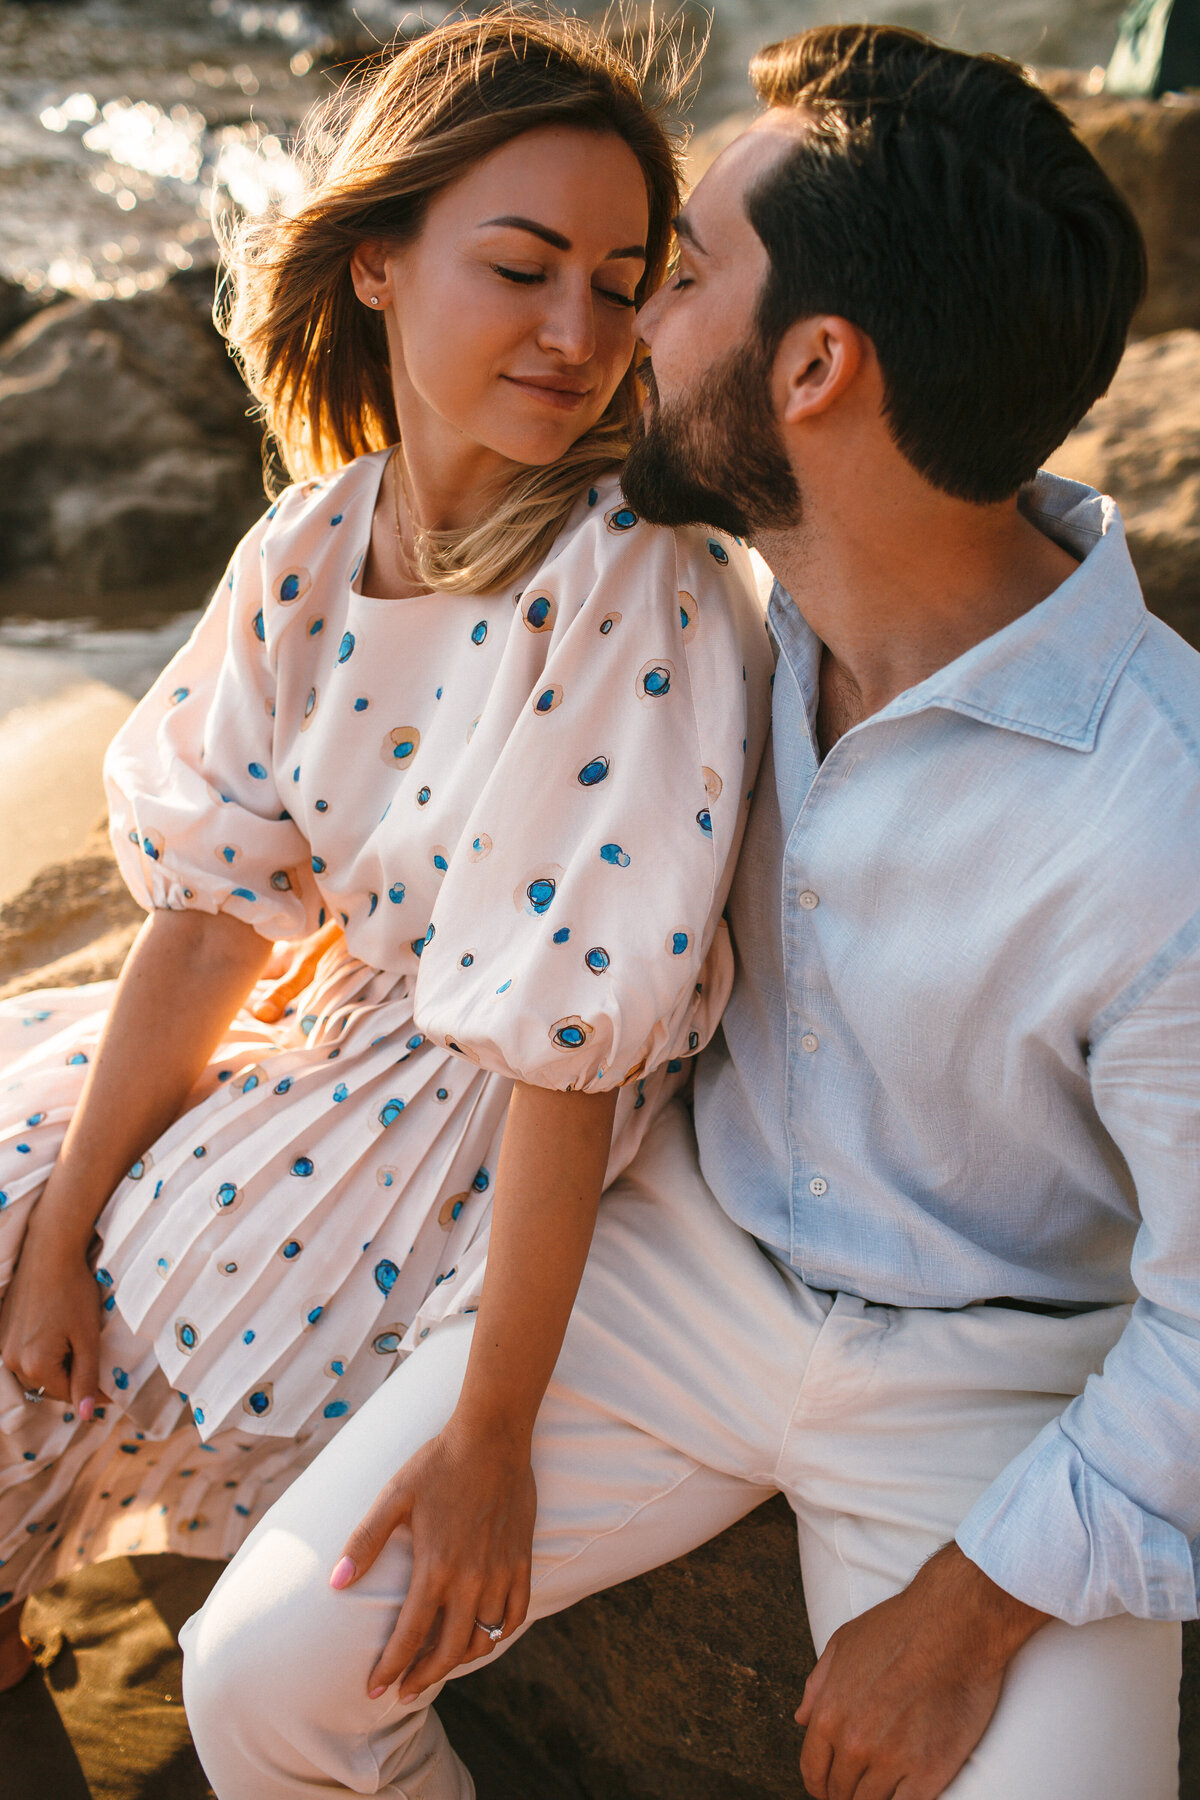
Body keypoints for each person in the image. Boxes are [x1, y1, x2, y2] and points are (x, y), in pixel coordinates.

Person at [182, 24, 1189, 1800]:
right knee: (264, 1678)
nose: (618, 333)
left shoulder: (1160, 814)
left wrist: (973, 1605)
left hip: (1006, 1380)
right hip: (677, 1262)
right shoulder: (719, 615)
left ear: (812, 368)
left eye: (681, 275)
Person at [0, 7, 771, 1720]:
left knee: (153, 1280)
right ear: (374, 263)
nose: (581, 330)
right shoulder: (317, 540)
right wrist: (53, 1226)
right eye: (522, 267)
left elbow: (565, 1044)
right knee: (19, 1200)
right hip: (329, 1016)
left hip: (468, 1116)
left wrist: (492, 1435)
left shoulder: (631, 580)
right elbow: (210, 929)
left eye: (624, 277)